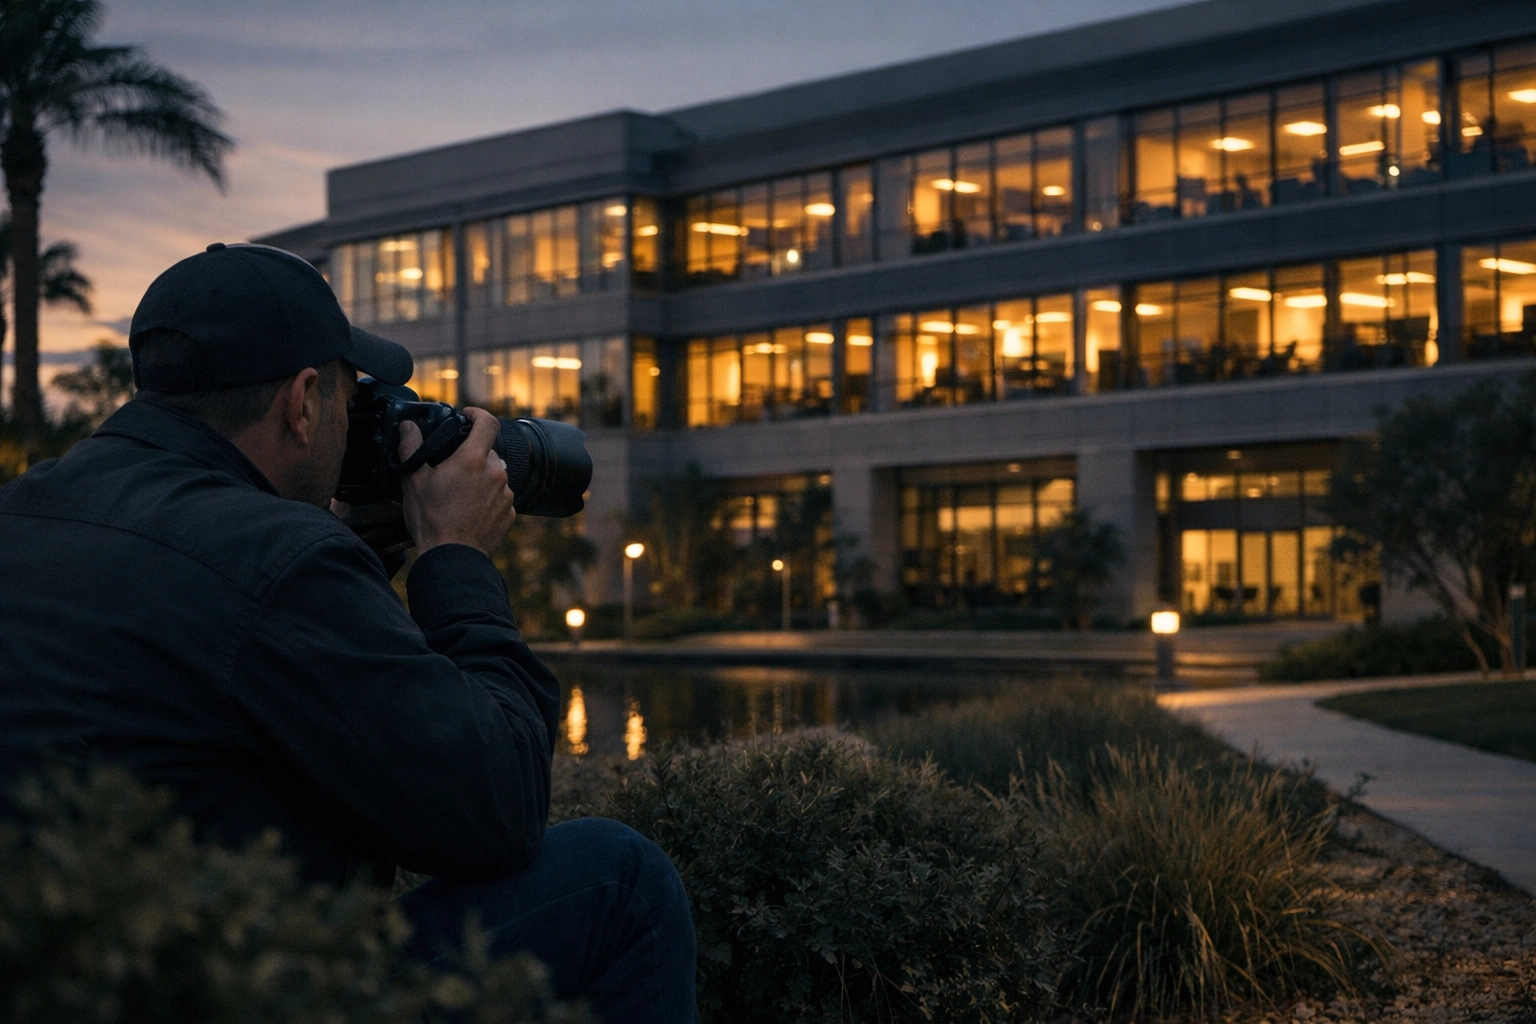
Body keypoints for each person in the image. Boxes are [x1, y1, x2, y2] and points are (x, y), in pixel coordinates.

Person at [0, 243, 697, 1024]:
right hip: (232, 989)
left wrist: (364, 553)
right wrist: (456, 558)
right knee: (619, 880)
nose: (355, 422)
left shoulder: (27, 508)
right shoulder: (277, 559)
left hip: (67, 971)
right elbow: (494, 811)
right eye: (349, 397)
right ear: (302, 402)